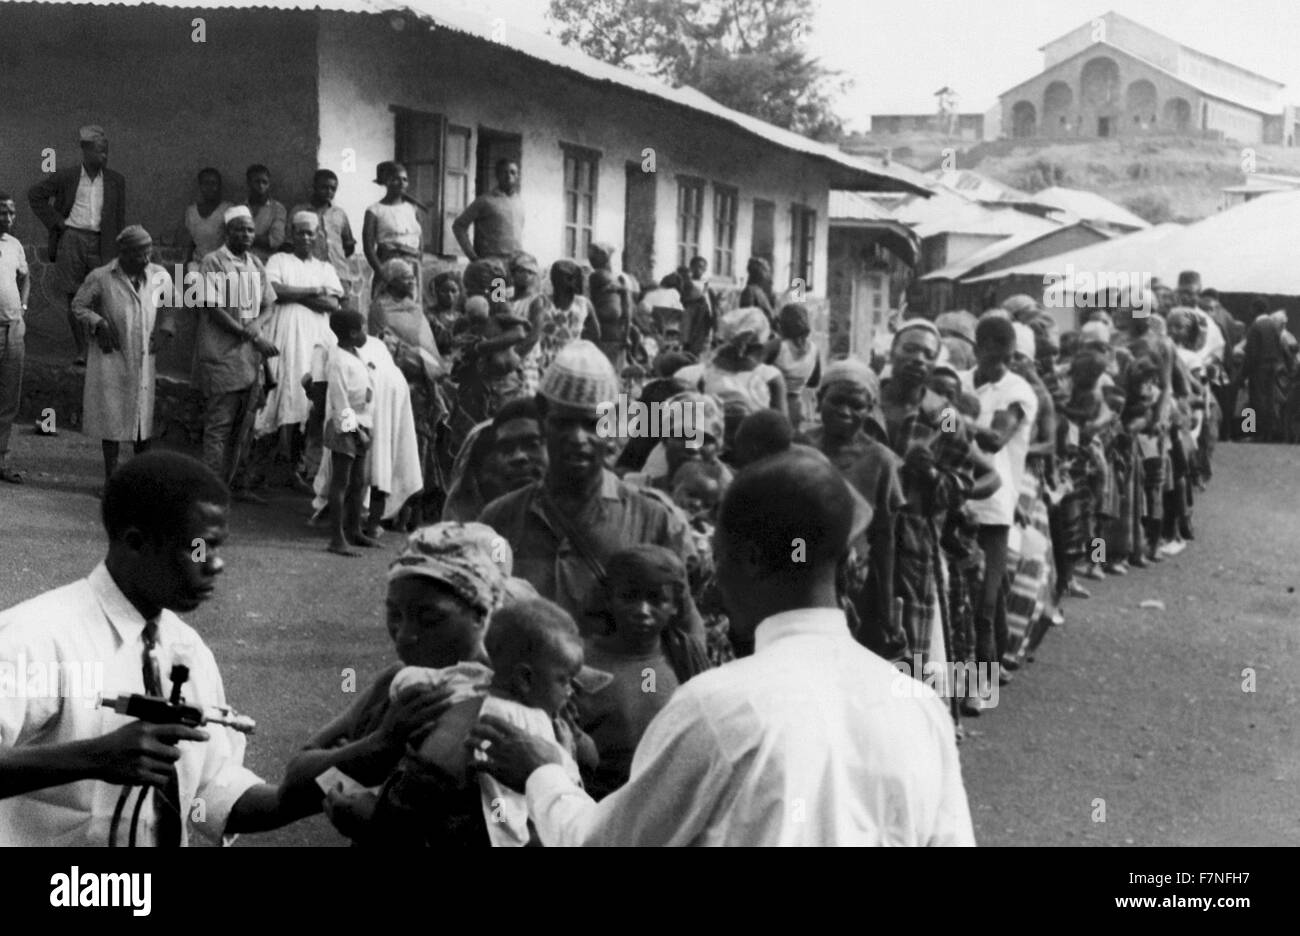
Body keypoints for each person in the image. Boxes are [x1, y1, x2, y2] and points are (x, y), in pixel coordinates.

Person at [468, 447, 977, 845]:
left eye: (717, 557)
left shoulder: (718, 708)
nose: (711, 582)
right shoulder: (919, 707)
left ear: (749, 559)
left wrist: (542, 772)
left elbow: (602, 842)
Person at [0, 451, 309, 845]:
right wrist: (92, 758)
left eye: (218, 548)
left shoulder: (187, 650)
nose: (216, 564)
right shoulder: (39, 637)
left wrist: (325, 784)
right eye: (200, 548)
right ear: (135, 543)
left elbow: (214, 795)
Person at [282, 522, 510, 842]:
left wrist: (381, 826)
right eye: (394, 614)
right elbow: (294, 783)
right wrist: (379, 744)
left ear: (483, 614)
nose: (404, 636)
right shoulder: (397, 685)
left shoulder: (514, 705)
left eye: (430, 620)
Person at [479, 341, 701, 635]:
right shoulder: (500, 521)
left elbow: (685, 630)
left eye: (592, 424)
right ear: (543, 418)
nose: (578, 438)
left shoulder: (654, 521)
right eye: (564, 423)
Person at [575, 546, 712, 799]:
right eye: (629, 597)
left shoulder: (683, 655)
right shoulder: (578, 662)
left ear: (674, 605)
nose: (642, 610)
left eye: (656, 599)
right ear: (608, 599)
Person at [800, 358, 905, 660]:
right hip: (802, 574)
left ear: (870, 409)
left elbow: (885, 539)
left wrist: (886, 606)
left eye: (857, 405)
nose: (845, 412)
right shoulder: (799, 448)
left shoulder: (881, 460)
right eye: (837, 402)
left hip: (856, 583)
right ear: (819, 401)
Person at [960, 316, 1037, 678]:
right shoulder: (959, 383)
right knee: (958, 592)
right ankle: (966, 681)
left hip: (994, 502)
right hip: (955, 498)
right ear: (977, 350)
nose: (1001, 367)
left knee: (985, 603)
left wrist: (951, 418)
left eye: (1008, 359)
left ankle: (984, 681)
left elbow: (994, 440)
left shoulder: (1017, 391)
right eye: (993, 358)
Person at [73, 225, 175, 486]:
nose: (146, 258)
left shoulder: (159, 275)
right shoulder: (102, 276)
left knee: (143, 420)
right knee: (112, 418)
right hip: (113, 357)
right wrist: (99, 323)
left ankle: (141, 481)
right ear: (124, 253)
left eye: (149, 252)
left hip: (144, 356)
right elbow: (78, 306)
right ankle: (111, 480)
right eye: (140, 253)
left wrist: (164, 330)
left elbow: (171, 306)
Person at [195, 205, 279, 502]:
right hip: (223, 355)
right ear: (227, 232)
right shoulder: (213, 262)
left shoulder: (256, 264)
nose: (245, 234)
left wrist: (256, 324)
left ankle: (233, 486)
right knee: (219, 426)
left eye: (250, 230)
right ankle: (210, 490)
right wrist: (247, 333)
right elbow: (211, 307)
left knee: (244, 428)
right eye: (239, 229)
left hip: (249, 358)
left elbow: (269, 304)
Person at [255, 211, 343, 487]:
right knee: (281, 396)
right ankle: (259, 472)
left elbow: (332, 304)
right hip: (286, 336)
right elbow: (275, 291)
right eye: (300, 232)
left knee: (310, 402)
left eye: (310, 232)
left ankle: (297, 467)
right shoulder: (280, 260)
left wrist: (298, 294)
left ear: (317, 236)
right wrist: (313, 291)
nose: (305, 237)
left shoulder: (325, 267)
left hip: (316, 339)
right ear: (292, 235)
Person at [27, 125, 126, 364]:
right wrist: (57, 223)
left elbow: (119, 217)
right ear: (86, 152)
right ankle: (81, 350)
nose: (105, 156)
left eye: (107, 152)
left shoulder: (115, 181)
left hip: (102, 242)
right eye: (100, 152)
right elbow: (35, 195)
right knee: (74, 298)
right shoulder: (66, 176)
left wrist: (118, 248)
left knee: (102, 296)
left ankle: (100, 348)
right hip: (71, 239)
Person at [673, 307, 787, 451]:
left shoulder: (690, 375)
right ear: (762, 344)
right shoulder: (770, 377)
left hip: (703, 457)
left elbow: (676, 434)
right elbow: (782, 434)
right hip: (754, 459)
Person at [320, 309, 378, 555]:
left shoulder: (355, 354)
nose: (366, 333)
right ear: (353, 333)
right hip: (347, 427)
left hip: (362, 422)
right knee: (341, 482)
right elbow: (340, 401)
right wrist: (356, 433)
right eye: (363, 328)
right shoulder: (337, 361)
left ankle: (354, 530)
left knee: (359, 481)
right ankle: (337, 538)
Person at [290, 169, 357, 304]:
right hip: (311, 272)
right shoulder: (299, 211)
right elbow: (290, 243)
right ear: (314, 187)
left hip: (339, 273)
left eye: (333, 189)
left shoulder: (339, 214)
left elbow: (348, 245)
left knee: (342, 315)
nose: (329, 192)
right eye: (324, 187)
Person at [0, 193, 31, 484]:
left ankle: (2, 461)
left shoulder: (15, 246)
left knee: (8, 400)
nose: (7, 219)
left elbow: (25, 277)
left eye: (11, 213)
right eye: (2, 213)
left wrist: (22, 309)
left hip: (12, 329)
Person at [363, 161, 423, 300]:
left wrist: (417, 265)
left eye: (404, 179)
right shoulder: (375, 210)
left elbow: (420, 242)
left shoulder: (412, 208)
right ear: (386, 182)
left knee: (411, 309)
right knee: (389, 307)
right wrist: (383, 273)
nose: (401, 183)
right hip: (389, 265)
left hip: (412, 266)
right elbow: (368, 248)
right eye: (396, 179)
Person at [453, 158, 523, 263]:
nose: (509, 176)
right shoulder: (485, 201)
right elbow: (459, 226)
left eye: (513, 173)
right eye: (504, 172)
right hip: (493, 265)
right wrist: (473, 257)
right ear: (497, 175)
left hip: (515, 264)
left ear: (518, 176)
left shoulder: (519, 202)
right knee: (498, 281)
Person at [773, 302, 821, 432]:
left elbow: (756, 369)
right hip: (798, 405)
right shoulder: (814, 350)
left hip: (775, 404)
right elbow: (814, 382)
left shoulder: (778, 346)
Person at [179, 168, 233, 269]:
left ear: (219, 186)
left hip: (221, 265)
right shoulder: (191, 211)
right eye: (206, 183)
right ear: (200, 186)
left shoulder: (228, 209)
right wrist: (185, 262)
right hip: (197, 263)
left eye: (214, 183)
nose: (210, 187)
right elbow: (190, 241)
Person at [241, 164, 287, 263]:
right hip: (241, 264)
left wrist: (244, 237)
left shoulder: (278, 209)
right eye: (257, 182)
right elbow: (232, 240)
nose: (261, 186)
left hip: (267, 263)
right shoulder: (240, 209)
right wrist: (261, 238)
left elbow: (276, 240)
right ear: (248, 183)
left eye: (265, 182)